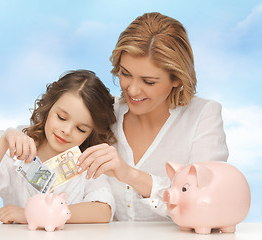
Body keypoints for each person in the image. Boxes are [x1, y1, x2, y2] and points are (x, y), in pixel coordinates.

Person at [76, 12, 228, 221]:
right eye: (125, 74)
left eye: (148, 81)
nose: (133, 90)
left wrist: (130, 174)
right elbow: (48, 134)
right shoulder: (104, 109)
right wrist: (16, 136)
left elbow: (207, 203)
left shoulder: (203, 116)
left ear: (176, 78)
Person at [0, 70, 117, 224]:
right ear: (48, 107)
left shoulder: (86, 162)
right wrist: (4, 141)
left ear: (91, 133)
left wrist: (34, 215)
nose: (66, 131)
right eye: (61, 117)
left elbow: (103, 210)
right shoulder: (15, 149)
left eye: (80, 129)